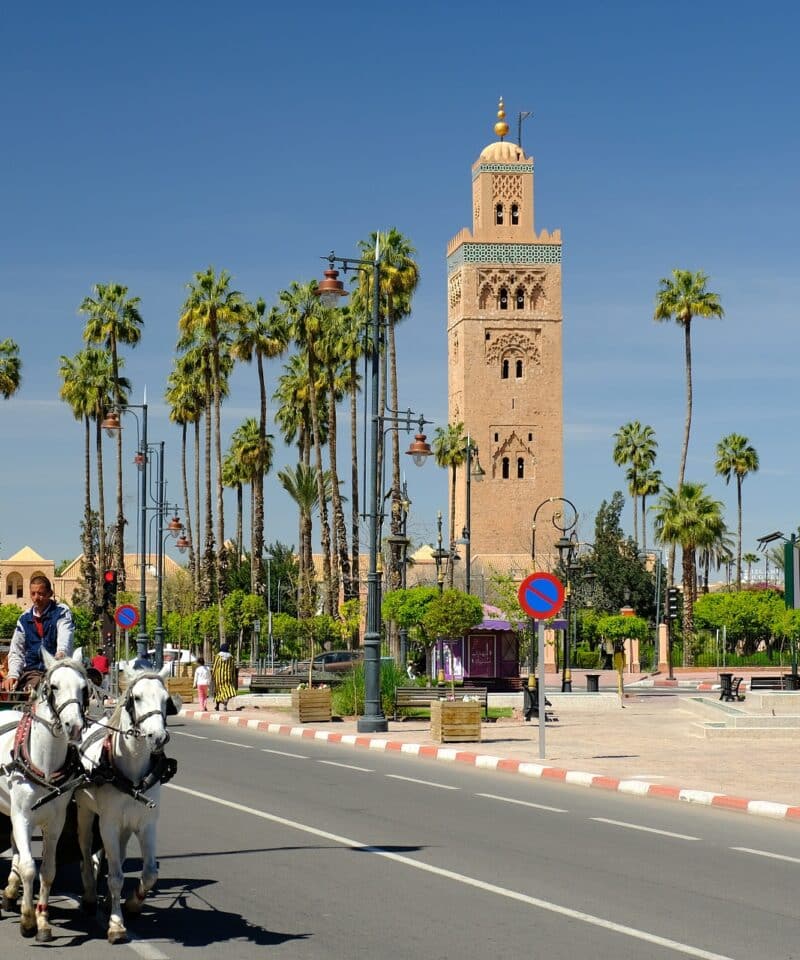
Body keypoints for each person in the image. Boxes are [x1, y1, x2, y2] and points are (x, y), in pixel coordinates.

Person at [1, 575, 75, 692]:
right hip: (31, 672)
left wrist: (61, 654)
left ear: (50, 593)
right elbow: (16, 651)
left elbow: (65, 638)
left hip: (57, 670)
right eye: (33, 594)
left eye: (41, 594)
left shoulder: (61, 612)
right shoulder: (24, 619)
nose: (36, 598)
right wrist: (13, 675)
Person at [211, 643, 237, 711]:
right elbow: (233, 668)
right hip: (228, 676)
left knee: (218, 690)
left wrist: (213, 675)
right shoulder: (231, 657)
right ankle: (225, 703)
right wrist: (233, 676)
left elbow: (215, 666)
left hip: (219, 676)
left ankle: (217, 705)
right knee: (228, 690)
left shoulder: (218, 656)